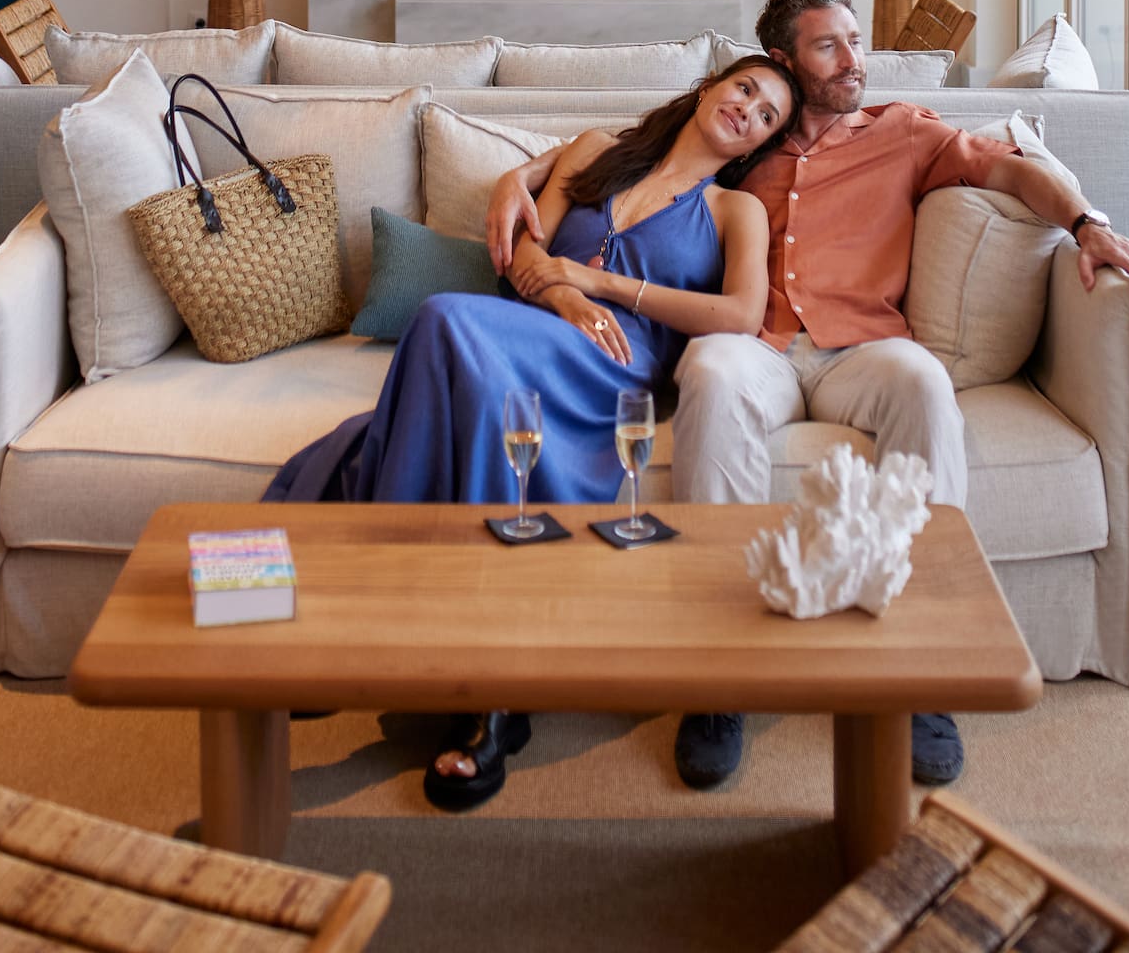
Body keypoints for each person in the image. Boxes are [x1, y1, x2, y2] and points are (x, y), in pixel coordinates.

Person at [487, 0, 1129, 793]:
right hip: (758, 345)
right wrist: (519, 174)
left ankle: (925, 670)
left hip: (864, 347)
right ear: (783, 61)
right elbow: (637, 154)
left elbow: (1011, 170)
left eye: (856, 42)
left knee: (924, 387)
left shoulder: (905, 131)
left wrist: (1087, 224)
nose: (853, 62)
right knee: (711, 372)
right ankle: (719, 678)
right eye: (829, 46)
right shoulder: (745, 140)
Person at [264, 53, 800, 811]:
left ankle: (378, 626)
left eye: (768, 115)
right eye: (744, 88)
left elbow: (741, 315)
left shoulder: (733, 211)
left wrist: (600, 285)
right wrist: (562, 295)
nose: (749, 109)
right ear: (710, 87)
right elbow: (523, 250)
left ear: (760, 144)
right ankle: (491, 696)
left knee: (443, 321)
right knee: (455, 340)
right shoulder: (594, 152)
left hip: (612, 365)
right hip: (526, 326)